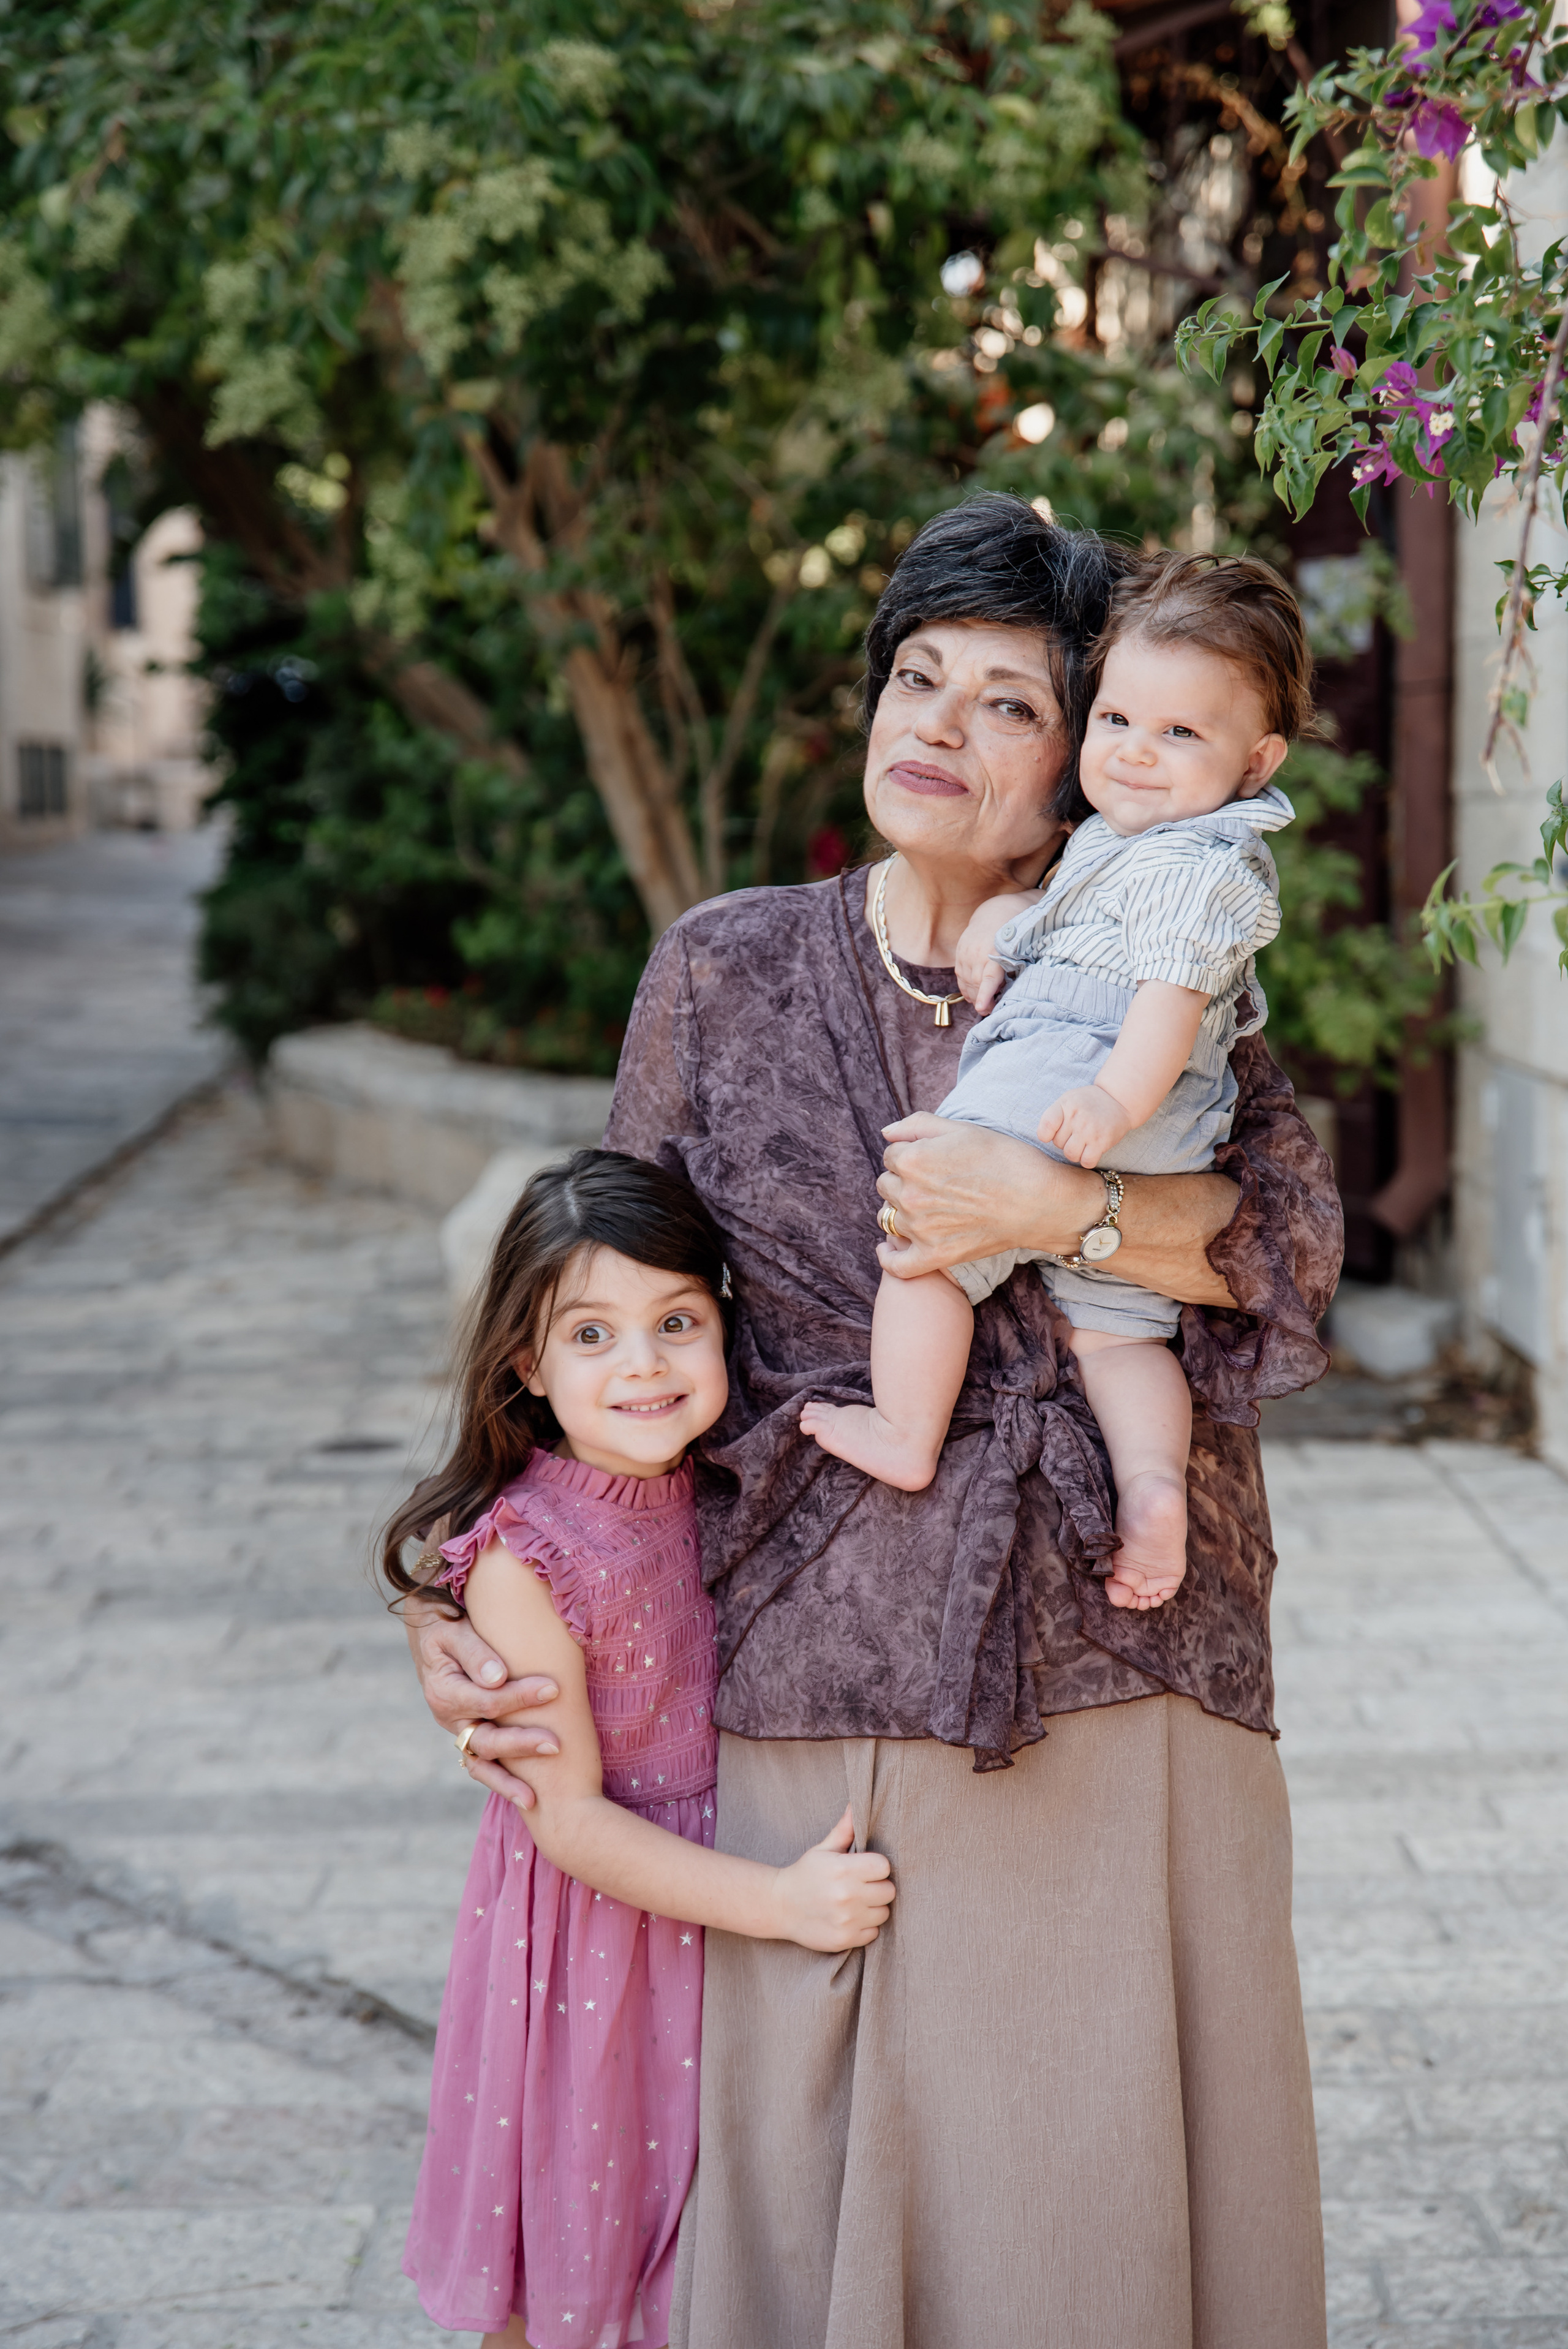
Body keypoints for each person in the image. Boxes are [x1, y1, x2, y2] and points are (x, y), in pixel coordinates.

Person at [406, 494, 1340, 2349]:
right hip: (800, 1647)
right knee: (818, 2183)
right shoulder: (728, 965)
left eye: (1009, 702)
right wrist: (477, 1580)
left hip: (1114, 1633)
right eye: (918, 677)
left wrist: (1056, 1213)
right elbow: (607, 1311)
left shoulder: (1153, 954)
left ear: (1095, 755)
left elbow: (1285, 1246)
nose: (940, 725)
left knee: (1084, 2187)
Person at [386, 1150, 894, 2349]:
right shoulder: (529, 1556)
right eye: (593, 1336)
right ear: (527, 1363)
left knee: (693, 2253)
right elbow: (567, 1818)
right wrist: (777, 1902)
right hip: (599, 1941)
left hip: (705, 1914)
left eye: (676, 1322)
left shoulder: (722, 1484)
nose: (644, 1365)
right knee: (578, 2241)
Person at [801, 553, 1308, 1618]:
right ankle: (1153, 1487)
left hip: (1074, 1082)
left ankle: (905, 1429)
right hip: (1157, 1120)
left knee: (928, 1243)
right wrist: (1007, 924)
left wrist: (1098, 1136)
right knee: (1122, 1333)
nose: (1136, 753)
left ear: (1256, 761)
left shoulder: (1183, 863)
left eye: (1010, 705)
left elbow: (1170, 1004)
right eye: (1119, 720)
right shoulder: (1137, 850)